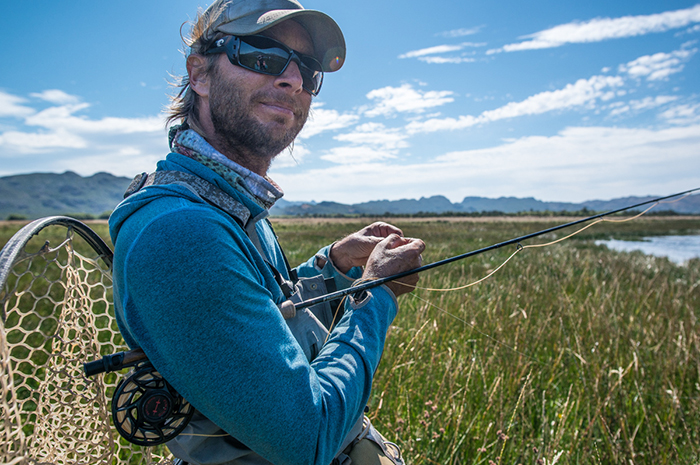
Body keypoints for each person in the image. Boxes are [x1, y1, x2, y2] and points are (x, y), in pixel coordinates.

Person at [108, 1, 425, 464]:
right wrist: (374, 296)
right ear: (199, 74)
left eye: (309, 71)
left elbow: (263, 305)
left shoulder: (226, 199)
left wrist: (332, 266)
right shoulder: (181, 231)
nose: (293, 80)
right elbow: (306, 437)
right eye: (262, 57)